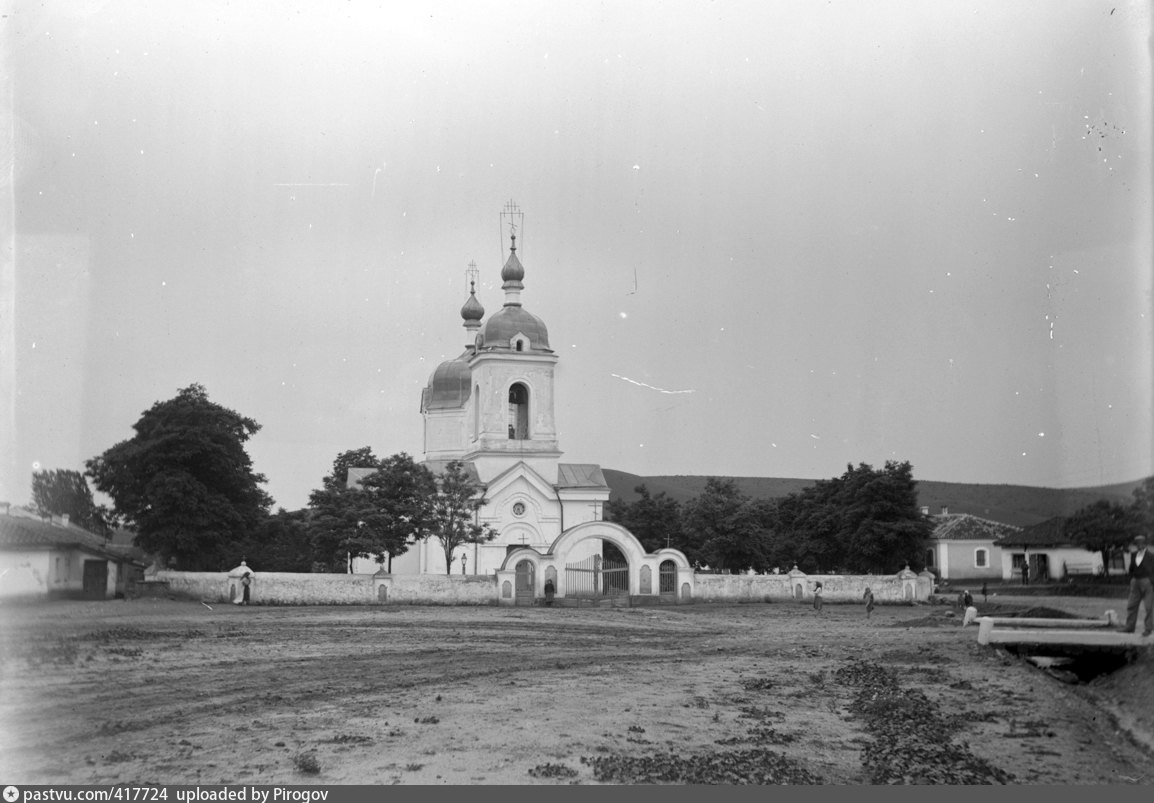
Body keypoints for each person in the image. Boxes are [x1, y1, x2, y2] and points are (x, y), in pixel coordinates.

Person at [1123, 534, 1153, 637]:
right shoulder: (1133, 555)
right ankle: (1129, 627)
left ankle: (1148, 629)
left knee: (1149, 607)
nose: (1139, 546)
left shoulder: (1151, 556)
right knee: (1131, 605)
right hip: (1135, 581)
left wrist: (1150, 581)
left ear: (1145, 544)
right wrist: (1132, 578)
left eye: (1141, 544)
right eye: (1137, 544)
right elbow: (1131, 568)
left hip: (1147, 582)